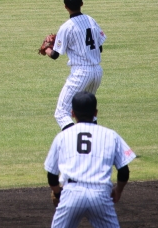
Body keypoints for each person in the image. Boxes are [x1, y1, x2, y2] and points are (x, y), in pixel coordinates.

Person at [44, 92, 136, 228]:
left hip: (72, 195)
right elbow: (124, 171)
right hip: (100, 195)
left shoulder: (62, 137)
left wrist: (58, 194)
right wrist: (118, 190)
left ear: (72, 113)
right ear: (95, 113)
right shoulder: (111, 135)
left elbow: (52, 176)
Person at [41, 0, 106, 130]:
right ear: (82, 3)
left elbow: (55, 55)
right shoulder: (91, 20)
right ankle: (93, 139)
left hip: (81, 74)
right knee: (87, 111)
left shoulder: (66, 27)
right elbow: (99, 48)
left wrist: (46, 48)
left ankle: (73, 139)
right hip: (97, 73)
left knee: (61, 113)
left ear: (65, 6)